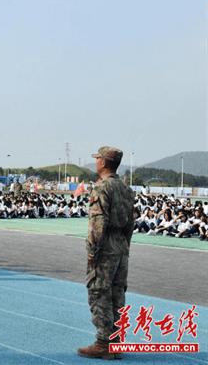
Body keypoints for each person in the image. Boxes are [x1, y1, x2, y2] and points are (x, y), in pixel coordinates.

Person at [78, 146, 135, 360]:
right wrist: (125, 246)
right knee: (117, 294)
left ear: (103, 162)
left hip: (106, 246)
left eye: (98, 158)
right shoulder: (125, 188)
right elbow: (131, 222)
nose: (96, 162)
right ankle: (116, 343)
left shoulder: (103, 188)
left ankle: (103, 343)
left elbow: (98, 223)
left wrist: (93, 251)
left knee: (99, 292)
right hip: (121, 245)